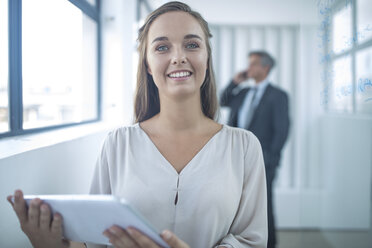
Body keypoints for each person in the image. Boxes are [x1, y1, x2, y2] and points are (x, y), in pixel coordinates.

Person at [7, 2, 268, 248]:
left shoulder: (243, 147)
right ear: (148, 65)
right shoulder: (118, 144)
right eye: (162, 47)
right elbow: (95, 238)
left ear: (206, 59)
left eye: (191, 44)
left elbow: (251, 240)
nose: (178, 57)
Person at [220, 51, 290, 248]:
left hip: (264, 162)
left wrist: (270, 160)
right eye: (248, 64)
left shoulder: (278, 96)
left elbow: (282, 130)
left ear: (265, 68)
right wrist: (235, 82)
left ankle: (269, 244)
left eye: (253, 64)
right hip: (235, 159)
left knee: (263, 206)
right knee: (236, 205)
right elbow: (222, 100)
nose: (248, 68)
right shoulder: (243, 93)